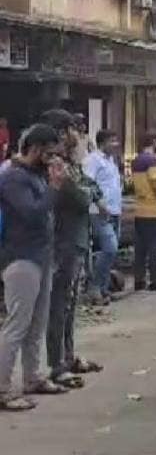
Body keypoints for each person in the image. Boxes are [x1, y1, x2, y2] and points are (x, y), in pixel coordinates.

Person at [0, 124, 64, 411]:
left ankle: (32, 376)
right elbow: (33, 214)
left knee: (37, 323)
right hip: (21, 258)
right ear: (36, 149)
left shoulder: (35, 175)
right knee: (17, 325)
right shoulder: (14, 178)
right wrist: (53, 186)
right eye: (49, 154)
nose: (52, 160)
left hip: (41, 256)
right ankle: (3, 389)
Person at [40, 109, 104, 388]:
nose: (78, 134)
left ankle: (69, 356)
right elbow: (80, 197)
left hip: (77, 239)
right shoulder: (56, 164)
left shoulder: (70, 163)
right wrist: (87, 191)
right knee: (60, 304)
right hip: (63, 241)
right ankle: (57, 364)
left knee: (70, 303)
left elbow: (93, 188)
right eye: (74, 129)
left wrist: (87, 189)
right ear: (63, 132)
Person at [83, 129, 123, 305]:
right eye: (112, 141)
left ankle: (104, 289)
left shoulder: (111, 161)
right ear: (103, 142)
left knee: (112, 252)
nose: (116, 144)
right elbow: (88, 184)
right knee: (110, 248)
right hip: (99, 212)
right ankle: (94, 287)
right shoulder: (93, 160)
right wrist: (99, 204)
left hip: (115, 210)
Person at [131, 130, 156, 291]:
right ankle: (155, 281)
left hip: (139, 210)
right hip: (154, 210)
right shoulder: (153, 162)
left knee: (140, 248)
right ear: (154, 142)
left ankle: (139, 281)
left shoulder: (136, 161)